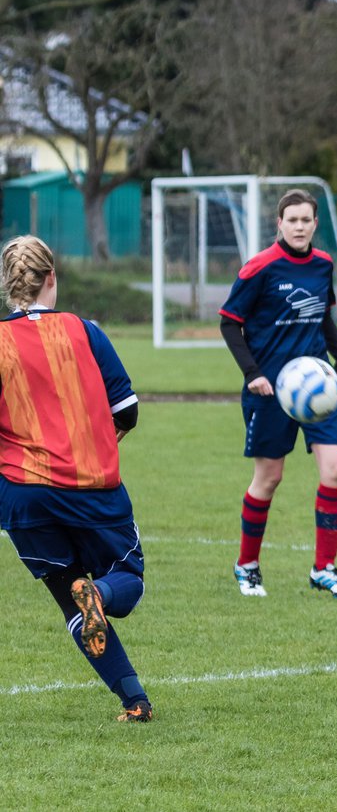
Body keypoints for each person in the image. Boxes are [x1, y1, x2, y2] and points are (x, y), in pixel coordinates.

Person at [0, 236, 152, 721]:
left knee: (69, 596)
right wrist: (96, 440)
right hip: (92, 488)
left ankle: (135, 702)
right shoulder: (85, 331)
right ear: (52, 279)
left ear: (7, 286)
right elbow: (126, 409)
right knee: (127, 579)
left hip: (23, 497)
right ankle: (101, 596)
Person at [219, 189, 337, 598]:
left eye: (306, 220)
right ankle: (247, 566)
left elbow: (322, 316)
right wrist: (253, 374)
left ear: (316, 224)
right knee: (269, 477)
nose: (299, 226)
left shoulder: (323, 264)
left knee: (335, 471)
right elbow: (229, 323)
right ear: (279, 224)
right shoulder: (259, 268)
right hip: (271, 391)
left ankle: (324, 569)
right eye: (291, 220)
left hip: (317, 386)